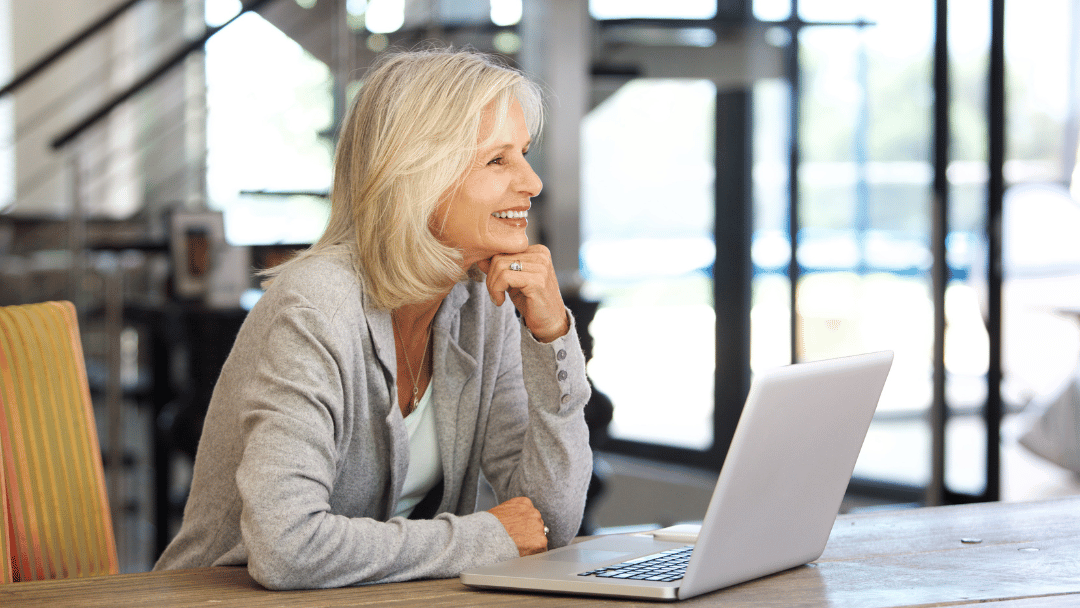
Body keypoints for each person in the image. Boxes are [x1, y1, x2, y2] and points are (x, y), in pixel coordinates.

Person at [154, 48, 593, 589]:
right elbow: (287, 549)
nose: (532, 182)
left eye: (523, 154)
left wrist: (551, 338)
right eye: (498, 160)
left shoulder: (489, 300)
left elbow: (549, 519)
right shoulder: (315, 306)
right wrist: (490, 538)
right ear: (417, 175)